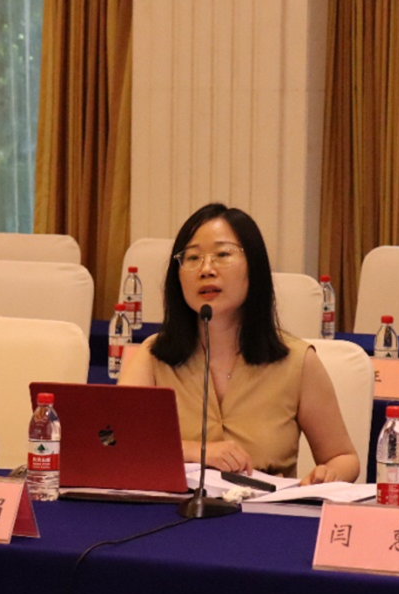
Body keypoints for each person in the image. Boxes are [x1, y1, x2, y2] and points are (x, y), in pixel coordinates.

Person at [118, 203, 359, 485]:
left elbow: (343, 457)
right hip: (177, 507)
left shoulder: (297, 361)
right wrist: (196, 451)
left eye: (222, 255)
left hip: (263, 508)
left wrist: (329, 475)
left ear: (253, 268)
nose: (206, 269)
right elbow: (117, 442)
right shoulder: (153, 356)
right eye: (192, 257)